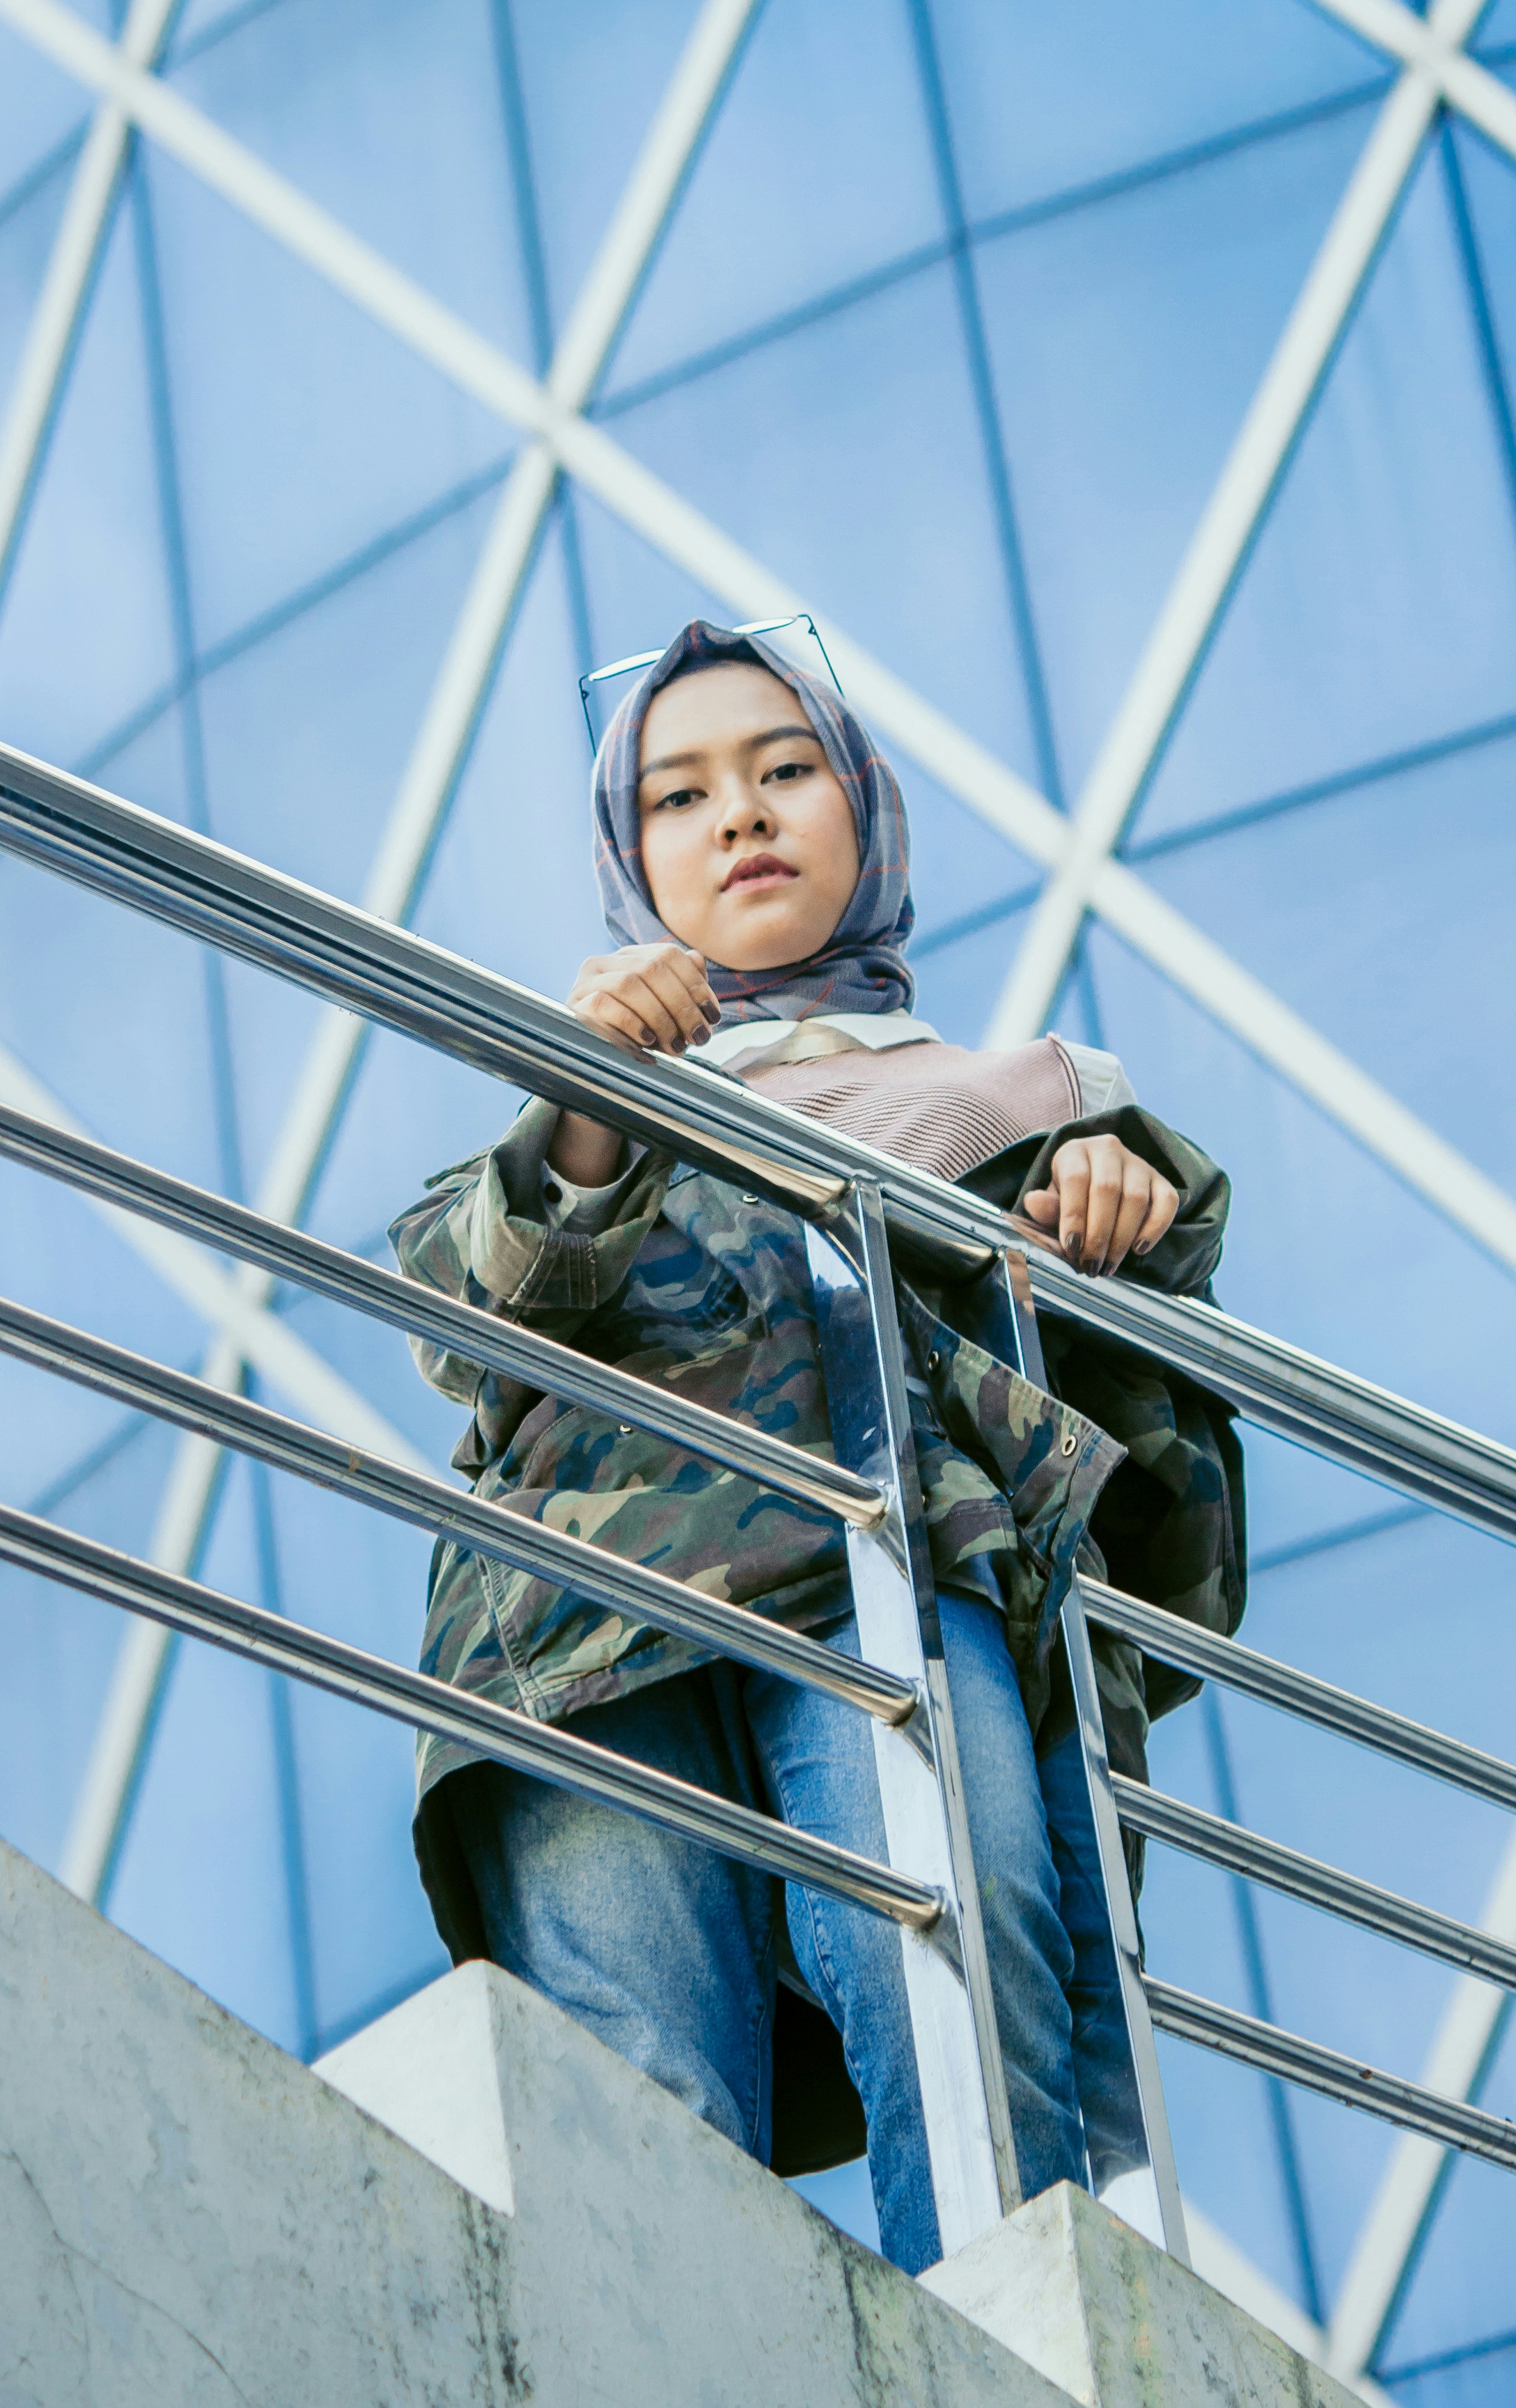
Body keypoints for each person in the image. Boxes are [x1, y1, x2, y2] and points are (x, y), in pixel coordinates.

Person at [392, 620, 1244, 2274]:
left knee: (974, 2017)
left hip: (897, 1592)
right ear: (631, 864)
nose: (740, 816)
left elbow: (1158, 1480)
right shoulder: (591, 1090)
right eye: (679, 795)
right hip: (579, 1639)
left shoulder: (1036, 1099)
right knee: (631, 2106)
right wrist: (588, 1095)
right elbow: (462, 1318)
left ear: (867, 813)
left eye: (787, 770)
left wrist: (1126, 1224)